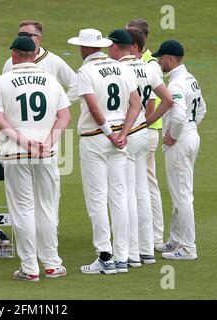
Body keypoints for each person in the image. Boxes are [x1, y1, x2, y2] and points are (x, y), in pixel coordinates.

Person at [0, 36, 71, 281]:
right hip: (47, 153)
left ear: (14, 54)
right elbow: (64, 117)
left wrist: (24, 141)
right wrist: (46, 144)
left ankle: (30, 268)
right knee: (46, 207)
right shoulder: (52, 81)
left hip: (15, 153)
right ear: (34, 55)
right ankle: (52, 264)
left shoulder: (1, 81)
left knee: (22, 210)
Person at [67, 28, 141, 274]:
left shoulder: (85, 71)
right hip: (120, 138)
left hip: (95, 139)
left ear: (85, 48)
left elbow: (95, 109)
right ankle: (122, 257)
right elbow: (136, 104)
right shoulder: (121, 67)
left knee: (97, 199)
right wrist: (123, 133)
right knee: (118, 198)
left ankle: (105, 257)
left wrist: (111, 134)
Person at [107, 29, 173, 267]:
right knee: (142, 191)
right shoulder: (148, 67)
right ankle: (146, 250)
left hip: (127, 135)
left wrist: (128, 127)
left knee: (124, 194)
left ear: (117, 47)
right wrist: (148, 120)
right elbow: (168, 100)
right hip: (144, 135)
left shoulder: (119, 70)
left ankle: (131, 254)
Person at [2, 21, 78, 225]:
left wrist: (57, 110)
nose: (25, 37)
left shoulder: (54, 62)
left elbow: (76, 83)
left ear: (39, 38)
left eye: (29, 34)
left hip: (48, 134)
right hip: (18, 136)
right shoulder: (10, 62)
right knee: (25, 194)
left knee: (48, 189)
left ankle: (50, 229)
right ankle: (35, 234)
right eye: (21, 34)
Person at [150, 40, 206, 259]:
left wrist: (173, 136)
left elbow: (179, 114)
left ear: (170, 59)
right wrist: (190, 129)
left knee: (182, 194)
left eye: (161, 57)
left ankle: (188, 248)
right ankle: (176, 239)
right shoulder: (190, 79)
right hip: (190, 137)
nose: (159, 61)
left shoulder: (175, 84)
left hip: (181, 141)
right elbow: (202, 109)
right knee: (178, 191)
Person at [126, 19, 166, 247]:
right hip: (144, 129)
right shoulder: (148, 62)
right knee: (142, 185)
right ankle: (146, 236)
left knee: (146, 185)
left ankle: (154, 237)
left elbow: (153, 103)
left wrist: (146, 123)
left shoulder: (148, 63)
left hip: (145, 129)